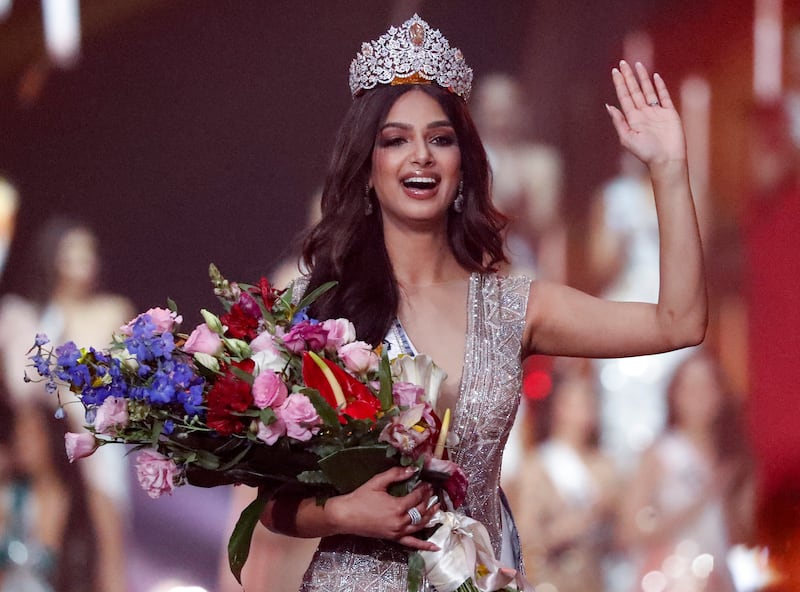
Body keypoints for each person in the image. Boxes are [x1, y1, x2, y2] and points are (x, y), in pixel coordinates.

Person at [258, 15, 706, 591]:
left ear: (463, 164)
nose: (420, 155)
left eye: (440, 139)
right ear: (367, 170)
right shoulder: (321, 309)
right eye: (395, 140)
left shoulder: (513, 305)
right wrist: (345, 512)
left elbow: (679, 322)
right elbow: (273, 500)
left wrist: (668, 171)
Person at [0, 218, 134, 592]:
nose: (82, 259)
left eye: (88, 250)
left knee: (104, 542)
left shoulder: (111, 310)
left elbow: (128, 382)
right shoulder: (22, 316)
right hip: (39, 447)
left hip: (97, 445)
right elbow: (17, 387)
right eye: (71, 250)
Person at [617, 351, 754, 592]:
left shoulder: (735, 459)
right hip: (669, 579)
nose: (697, 396)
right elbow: (629, 531)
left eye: (706, 386)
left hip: (719, 578)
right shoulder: (660, 454)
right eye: (689, 387)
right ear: (674, 394)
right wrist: (700, 501)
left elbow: (746, 535)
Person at [512, 362, 618, 592]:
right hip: (552, 581)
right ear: (558, 407)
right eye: (577, 401)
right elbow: (525, 538)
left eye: (590, 400)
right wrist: (564, 531)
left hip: (595, 580)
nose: (587, 408)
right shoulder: (537, 465)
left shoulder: (604, 465)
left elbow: (621, 535)